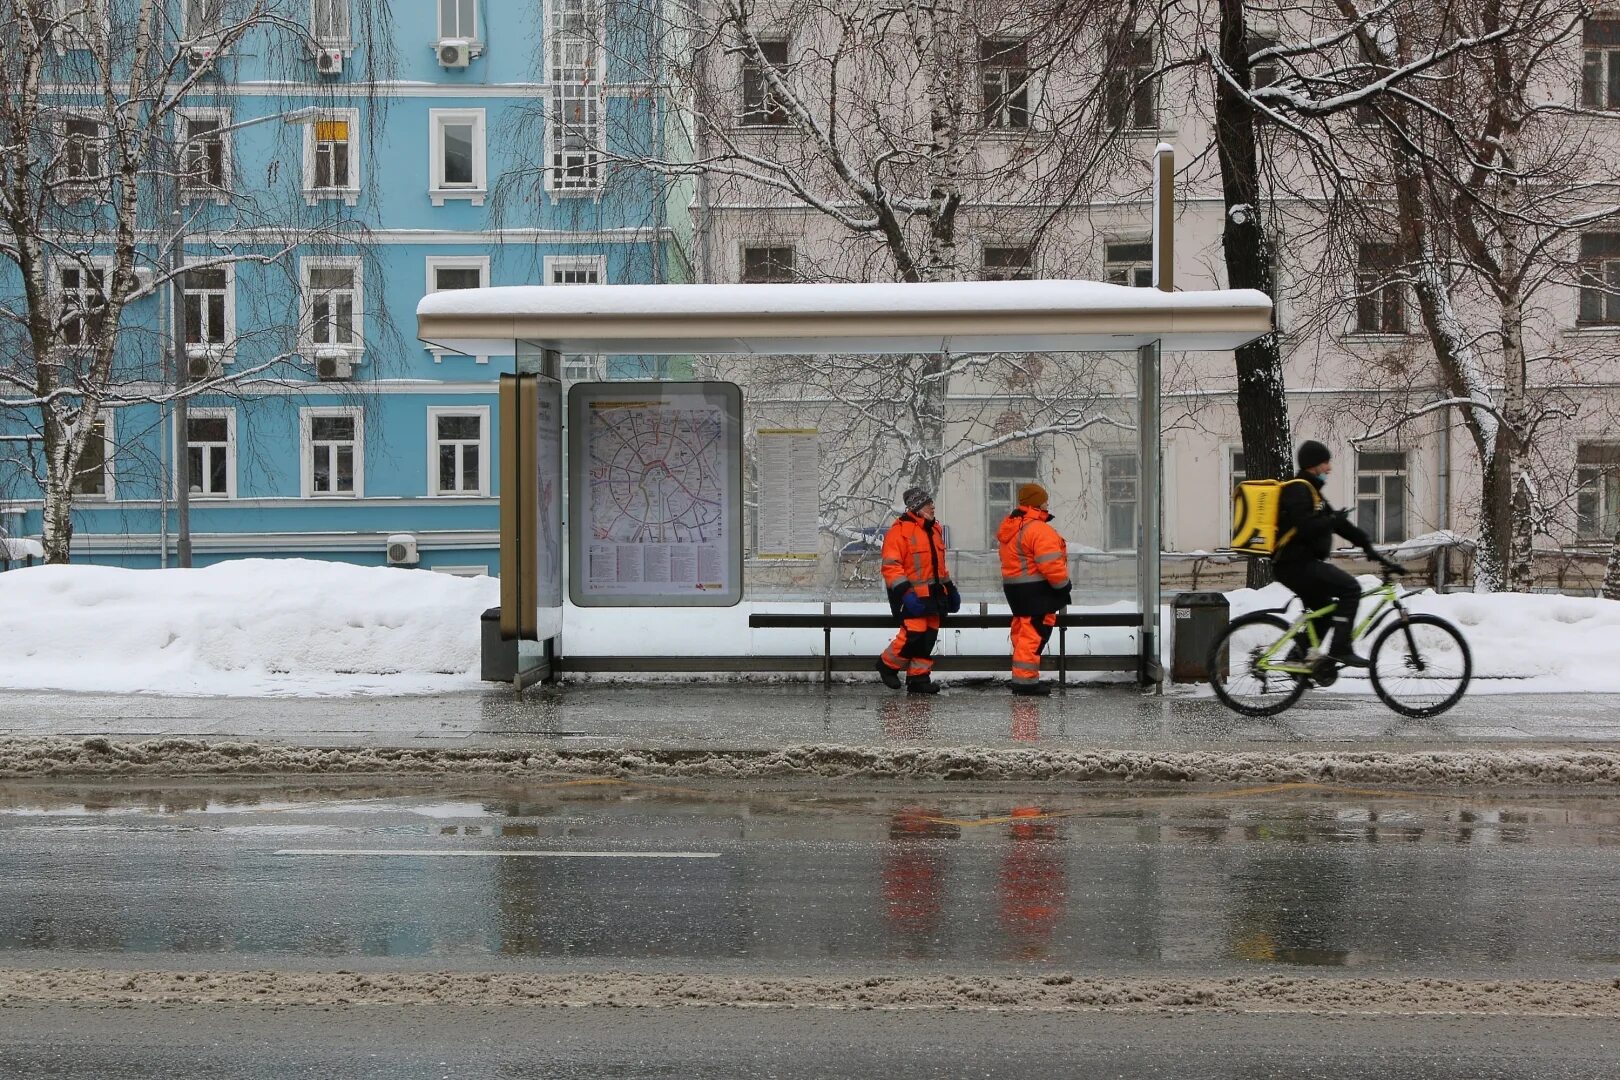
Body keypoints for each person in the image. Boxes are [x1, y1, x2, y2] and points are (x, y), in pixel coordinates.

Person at [1273, 440, 1402, 667]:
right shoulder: (1298, 489)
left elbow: (1338, 525)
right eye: (1325, 463)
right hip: (1295, 565)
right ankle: (1341, 650)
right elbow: (1305, 527)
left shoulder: (1312, 492)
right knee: (1350, 588)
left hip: (1301, 564)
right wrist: (1332, 520)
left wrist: (1368, 546)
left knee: (1324, 613)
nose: (1329, 468)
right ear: (1313, 465)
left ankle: (1296, 660)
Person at [876, 487, 960, 694]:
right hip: (910, 595)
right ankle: (887, 665)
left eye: (931, 503)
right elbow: (891, 566)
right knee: (914, 633)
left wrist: (950, 589)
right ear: (915, 507)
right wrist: (905, 593)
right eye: (927, 504)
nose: (932, 507)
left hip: (934, 594)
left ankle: (919, 678)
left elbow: (940, 566)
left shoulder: (935, 530)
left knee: (929, 635)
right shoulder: (899, 531)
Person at [996, 482, 1071, 696]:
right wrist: (1063, 585)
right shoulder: (1037, 528)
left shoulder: (1013, 527)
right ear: (1037, 503)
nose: (1048, 503)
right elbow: (1050, 563)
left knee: (1022, 632)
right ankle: (1025, 682)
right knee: (1034, 634)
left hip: (1016, 590)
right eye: (1045, 500)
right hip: (1037, 591)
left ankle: (1023, 678)